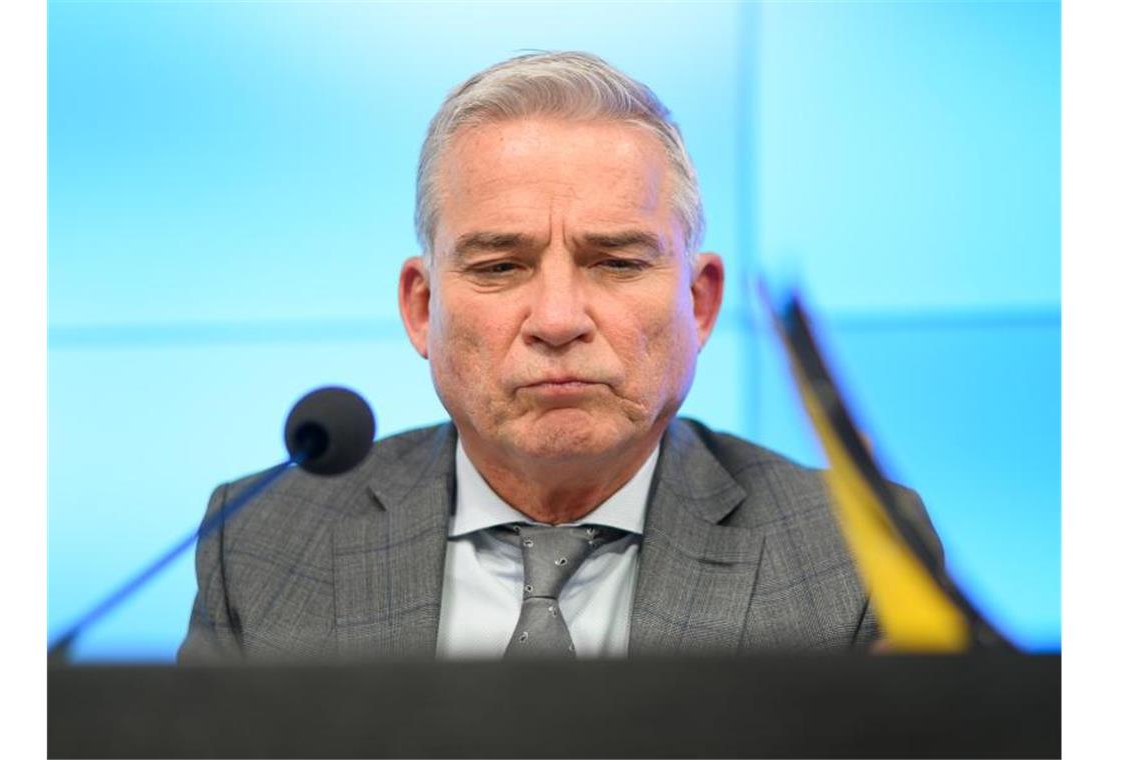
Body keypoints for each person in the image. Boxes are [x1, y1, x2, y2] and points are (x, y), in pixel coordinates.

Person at [178, 51, 936, 662]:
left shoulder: (851, 552)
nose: (558, 320)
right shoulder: (263, 542)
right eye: (500, 266)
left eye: (615, 262)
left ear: (699, 303)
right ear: (421, 308)